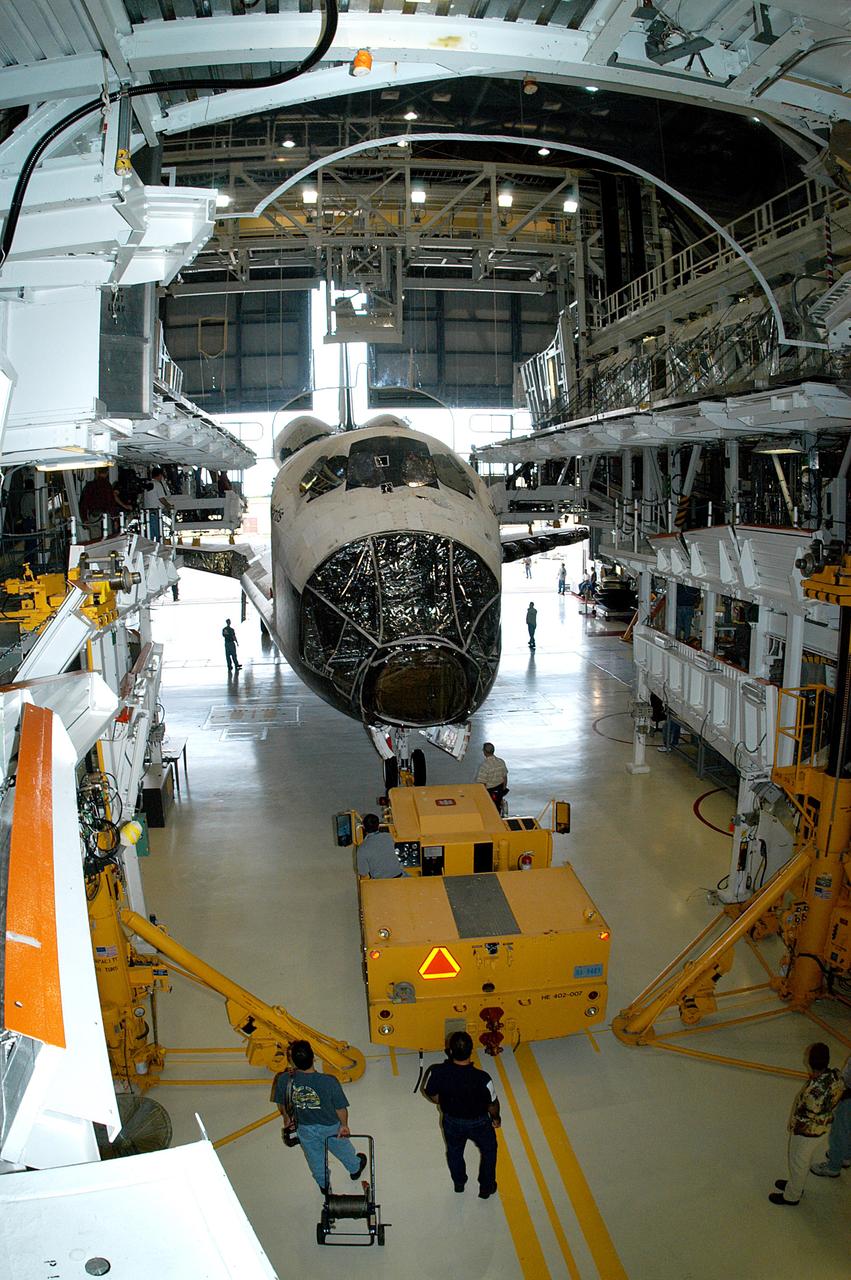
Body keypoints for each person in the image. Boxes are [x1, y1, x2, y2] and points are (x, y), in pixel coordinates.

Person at [273, 1039, 367, 1193]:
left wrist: (286, 1118)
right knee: (343, 1148)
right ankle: (355, 1168)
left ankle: (323, 1184)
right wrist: (344, 1125)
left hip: (304, 1127)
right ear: (313, 1058)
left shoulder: (284, 1079)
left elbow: (282, 1103)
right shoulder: (328, 1081)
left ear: (292, 1061)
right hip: (330, 1126)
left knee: (314, 1157)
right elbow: (340, 1108)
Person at [422, 1030, 501, 1198]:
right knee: (489, 1151)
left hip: (452, 1122)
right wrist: (496, 1119)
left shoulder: (436, 1072)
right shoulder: (483, 1078)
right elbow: (492, 1103)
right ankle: (486, 1187)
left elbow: (429, 1091)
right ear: (471, 1051)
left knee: (454, 1152)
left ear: (450, 1051)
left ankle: (459, 1183)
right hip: (479, 1123)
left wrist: (439, 1100)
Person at [769, 1041, 844, 1206]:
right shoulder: (836, 1076)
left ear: (809, 1062)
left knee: (798, 1161)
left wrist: (793, 1126)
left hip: (807, 1132)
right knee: (802, 1160)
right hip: (823, 1128)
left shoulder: (813, 1092)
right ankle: (795, 1184)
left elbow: (805, 1115)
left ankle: (792, 1195)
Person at [811, 1050, 851, 1179]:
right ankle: (846, 1155)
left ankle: (833, 1166)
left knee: (839, 1131)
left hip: (849, 1095)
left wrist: (843, 1088)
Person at [357, 813, 404, 877]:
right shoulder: (388, 837)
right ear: (378, 825)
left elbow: (363, 872)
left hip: (380, 883)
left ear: (364, 827)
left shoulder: (362, 848)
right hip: (399, 877)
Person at [475, 742, 508, 811]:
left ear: (484, 752)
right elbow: (505, 777)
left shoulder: (484, 766)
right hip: (499, 790)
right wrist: (502, 791)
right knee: (498, 808)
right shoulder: (501, 761)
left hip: (489, 792)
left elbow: (482, 784)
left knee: (489, 809)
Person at [143, 467, 172, 540]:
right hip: (155, 512)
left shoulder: (148, 484)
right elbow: (161, 498)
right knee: (158, 533)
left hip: (147, 512)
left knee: (150, 533)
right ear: (160, 475)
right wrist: (169, 506)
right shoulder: (157, 484)